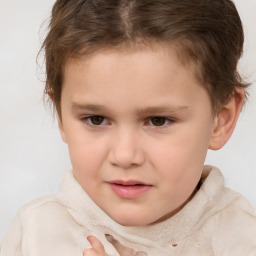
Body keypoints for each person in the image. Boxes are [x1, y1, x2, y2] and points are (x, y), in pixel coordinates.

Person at [1, 0, 256, 255]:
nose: (124, 156)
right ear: (61, 114)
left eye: (158, 120)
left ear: (221, 119)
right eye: (96, 119)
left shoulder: (243, 238)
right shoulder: (36, 234)